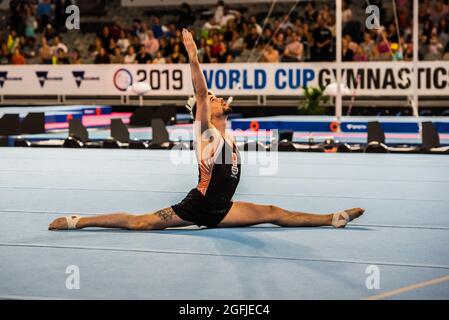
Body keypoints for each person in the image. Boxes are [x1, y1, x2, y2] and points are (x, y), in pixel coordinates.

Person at [48, 29, 365, 232]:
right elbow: (200, 93)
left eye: (216, 97)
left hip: (223, 210)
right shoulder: (206, 131)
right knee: (139, 222)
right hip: (198, 207)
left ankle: (332, 218)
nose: (215, 98)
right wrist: (194, 57)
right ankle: (79, 221)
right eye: (213, 98)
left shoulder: (226, 133)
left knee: (273, 212)